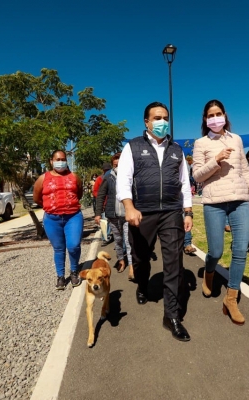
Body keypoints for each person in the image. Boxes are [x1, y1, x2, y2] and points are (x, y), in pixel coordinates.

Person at [116, 101, 193, 342]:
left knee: (174, 263)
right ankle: (141, 284)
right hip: (142, 212)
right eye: (157, 118)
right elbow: (124, 180)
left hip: (171, 211)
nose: (162, 122)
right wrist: (129, 207)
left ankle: (171, 316)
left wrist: (187, 212)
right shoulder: (133, 147)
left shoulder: (177, 150)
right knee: (140, 258)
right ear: (147, 122)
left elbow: (184, 184)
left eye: (165, 118)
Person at [192, 99, 249, 326]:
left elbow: (245, 170)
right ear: (206, 119)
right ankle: (210, 272)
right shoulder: (200, 143)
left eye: (218, 113)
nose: (215, 118)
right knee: (215, 250)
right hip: (214, 202)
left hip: (239, 201)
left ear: (225, 115)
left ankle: (231, 298)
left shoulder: (237, 139)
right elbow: (197, 176)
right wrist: (216, 160)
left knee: (240, 248)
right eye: (210, 115)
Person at [33, 150, 84, 289]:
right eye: (57, 159)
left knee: (73, 246)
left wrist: (68, 205)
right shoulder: (43, 178)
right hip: (52, 219)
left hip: (73, 217)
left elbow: (79, 193)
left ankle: (74, 271)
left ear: (66, 160)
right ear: (51, 161)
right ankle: (60, 276)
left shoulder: (74, 176)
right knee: (59, 248)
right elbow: (36, 198)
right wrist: (52, 206)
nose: (60, 161)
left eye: (63, 159)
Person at [95, 153, 133, 277]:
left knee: (128, 240)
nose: (117, 162)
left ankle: (132, 266)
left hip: (128, 214)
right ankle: (121, 260)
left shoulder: (130, 175)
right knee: (118, 240)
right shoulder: (108, 176)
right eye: (115, 160)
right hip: (113, 214)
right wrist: (98, 213)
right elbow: (101, 195)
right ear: (112, 163)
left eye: (120, 159)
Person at [93, 162, 113, 245]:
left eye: (108, 170)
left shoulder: (113, 177)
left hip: (112, 203)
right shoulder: (99, 179)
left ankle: (109, 235)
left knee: (111, 222)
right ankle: (105, 237)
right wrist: (102, 196)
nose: (106, 171)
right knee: (104, 221)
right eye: (105, 170)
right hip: (104, 204)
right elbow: (95, 191)